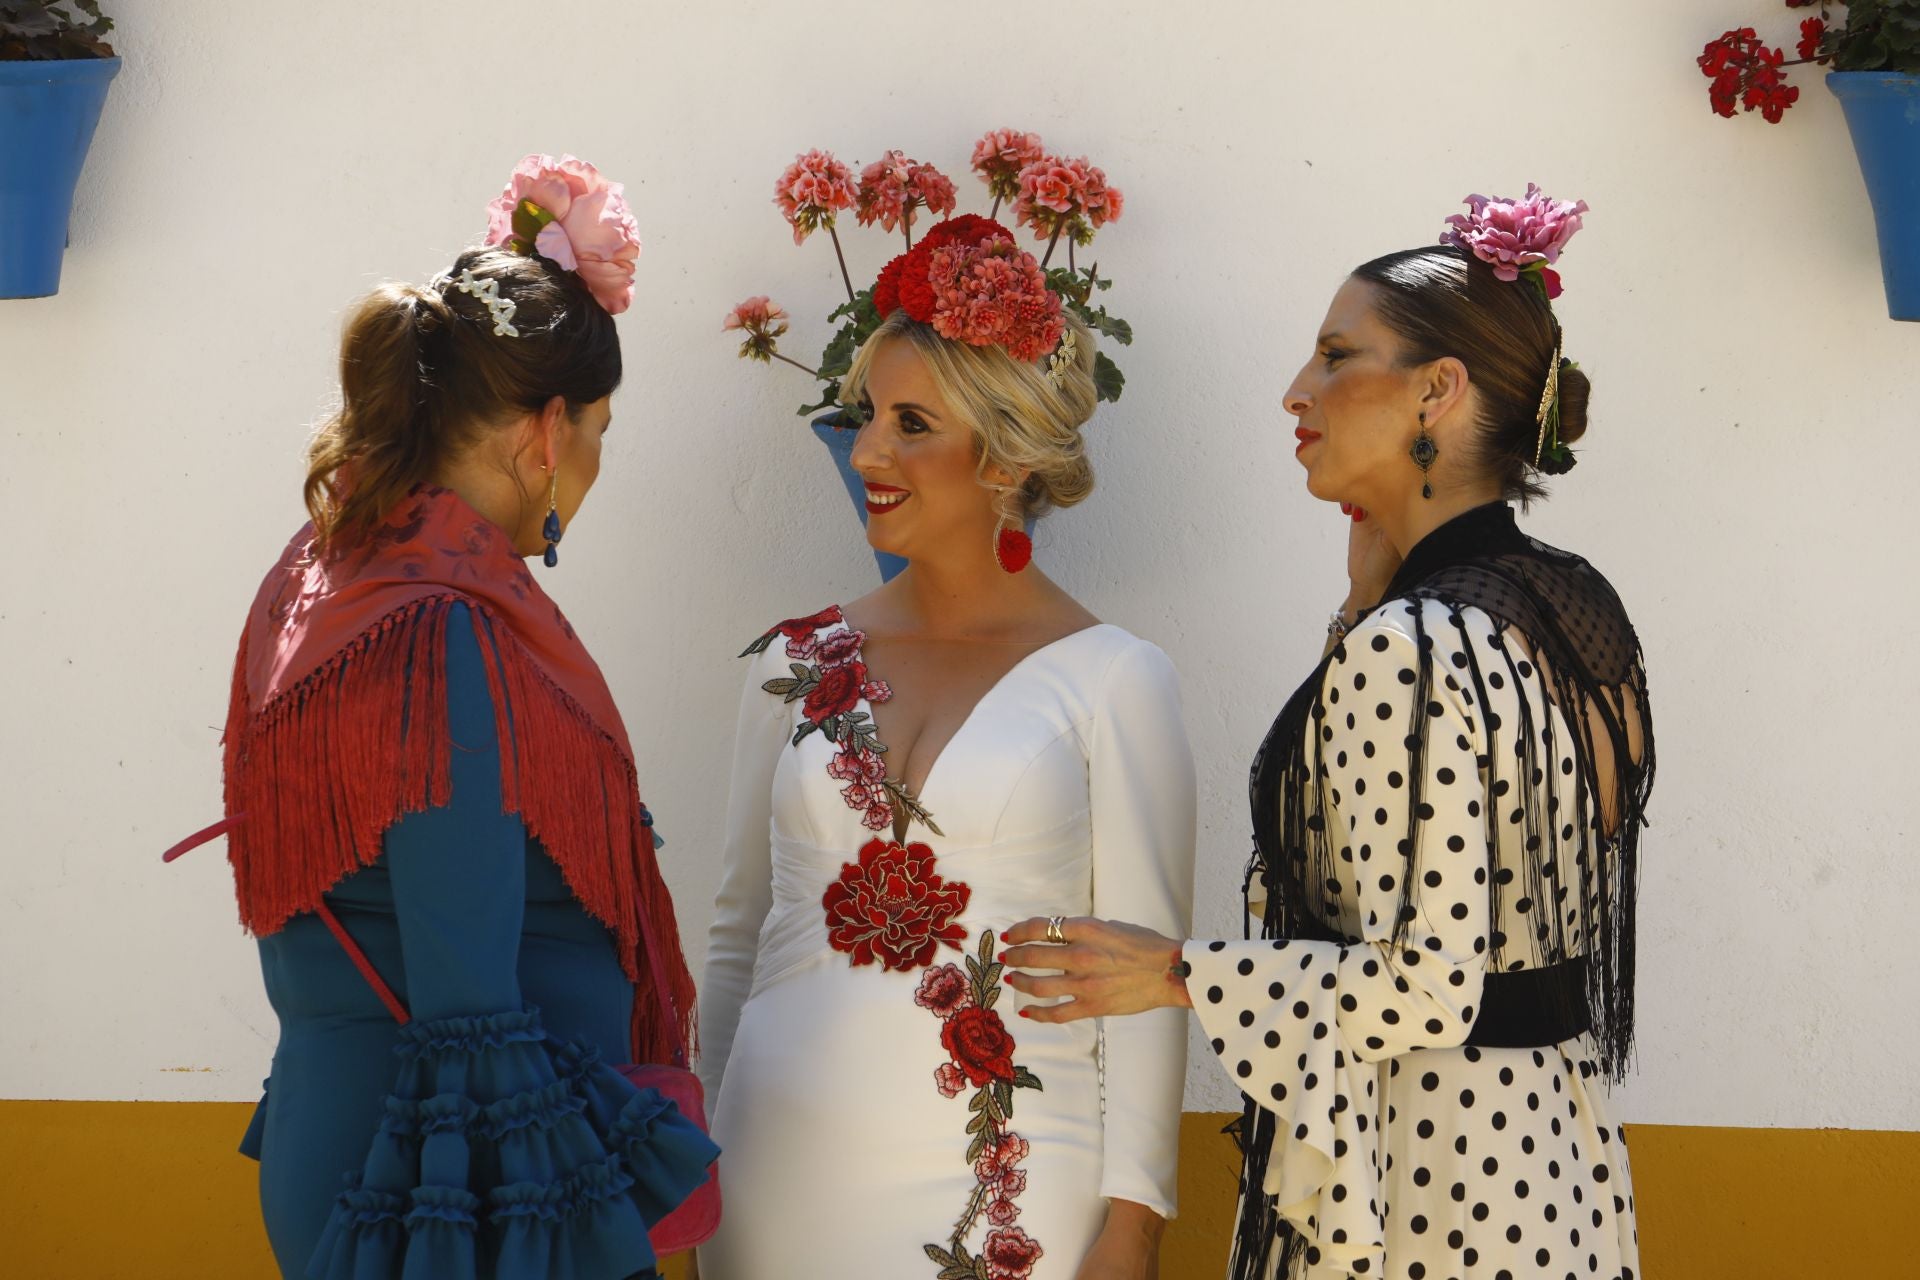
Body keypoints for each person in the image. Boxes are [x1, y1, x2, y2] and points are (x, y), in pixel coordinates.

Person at [1002, 187, 1653, 1280]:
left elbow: (1429, 988)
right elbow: (1517, 924)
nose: (1296, 392)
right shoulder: (1570, 606)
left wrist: (1176, 973)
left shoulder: (1415, 644)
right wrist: (1362, 610)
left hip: (1434, 1187)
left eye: (1336, 357)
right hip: (1554, 1161)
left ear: (1437, 391)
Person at [217, 154, 715, 1279]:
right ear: (544, 432)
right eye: (597, 429)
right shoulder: (440, 628)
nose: (593, 462)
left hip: (353, 1132)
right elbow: (465, 998)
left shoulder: (326, 574)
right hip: (451, 1192)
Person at [698, 215, 1195, 1280]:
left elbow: (1147, 975)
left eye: (911, 421)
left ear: (1006, 452)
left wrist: (1135, 1223)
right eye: (866, 414)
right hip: (770, 1176)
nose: (867, 451)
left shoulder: (1119, 680)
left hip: (1014, 1194)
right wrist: (689, 1175)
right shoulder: (788, 662)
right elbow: (736, 934)